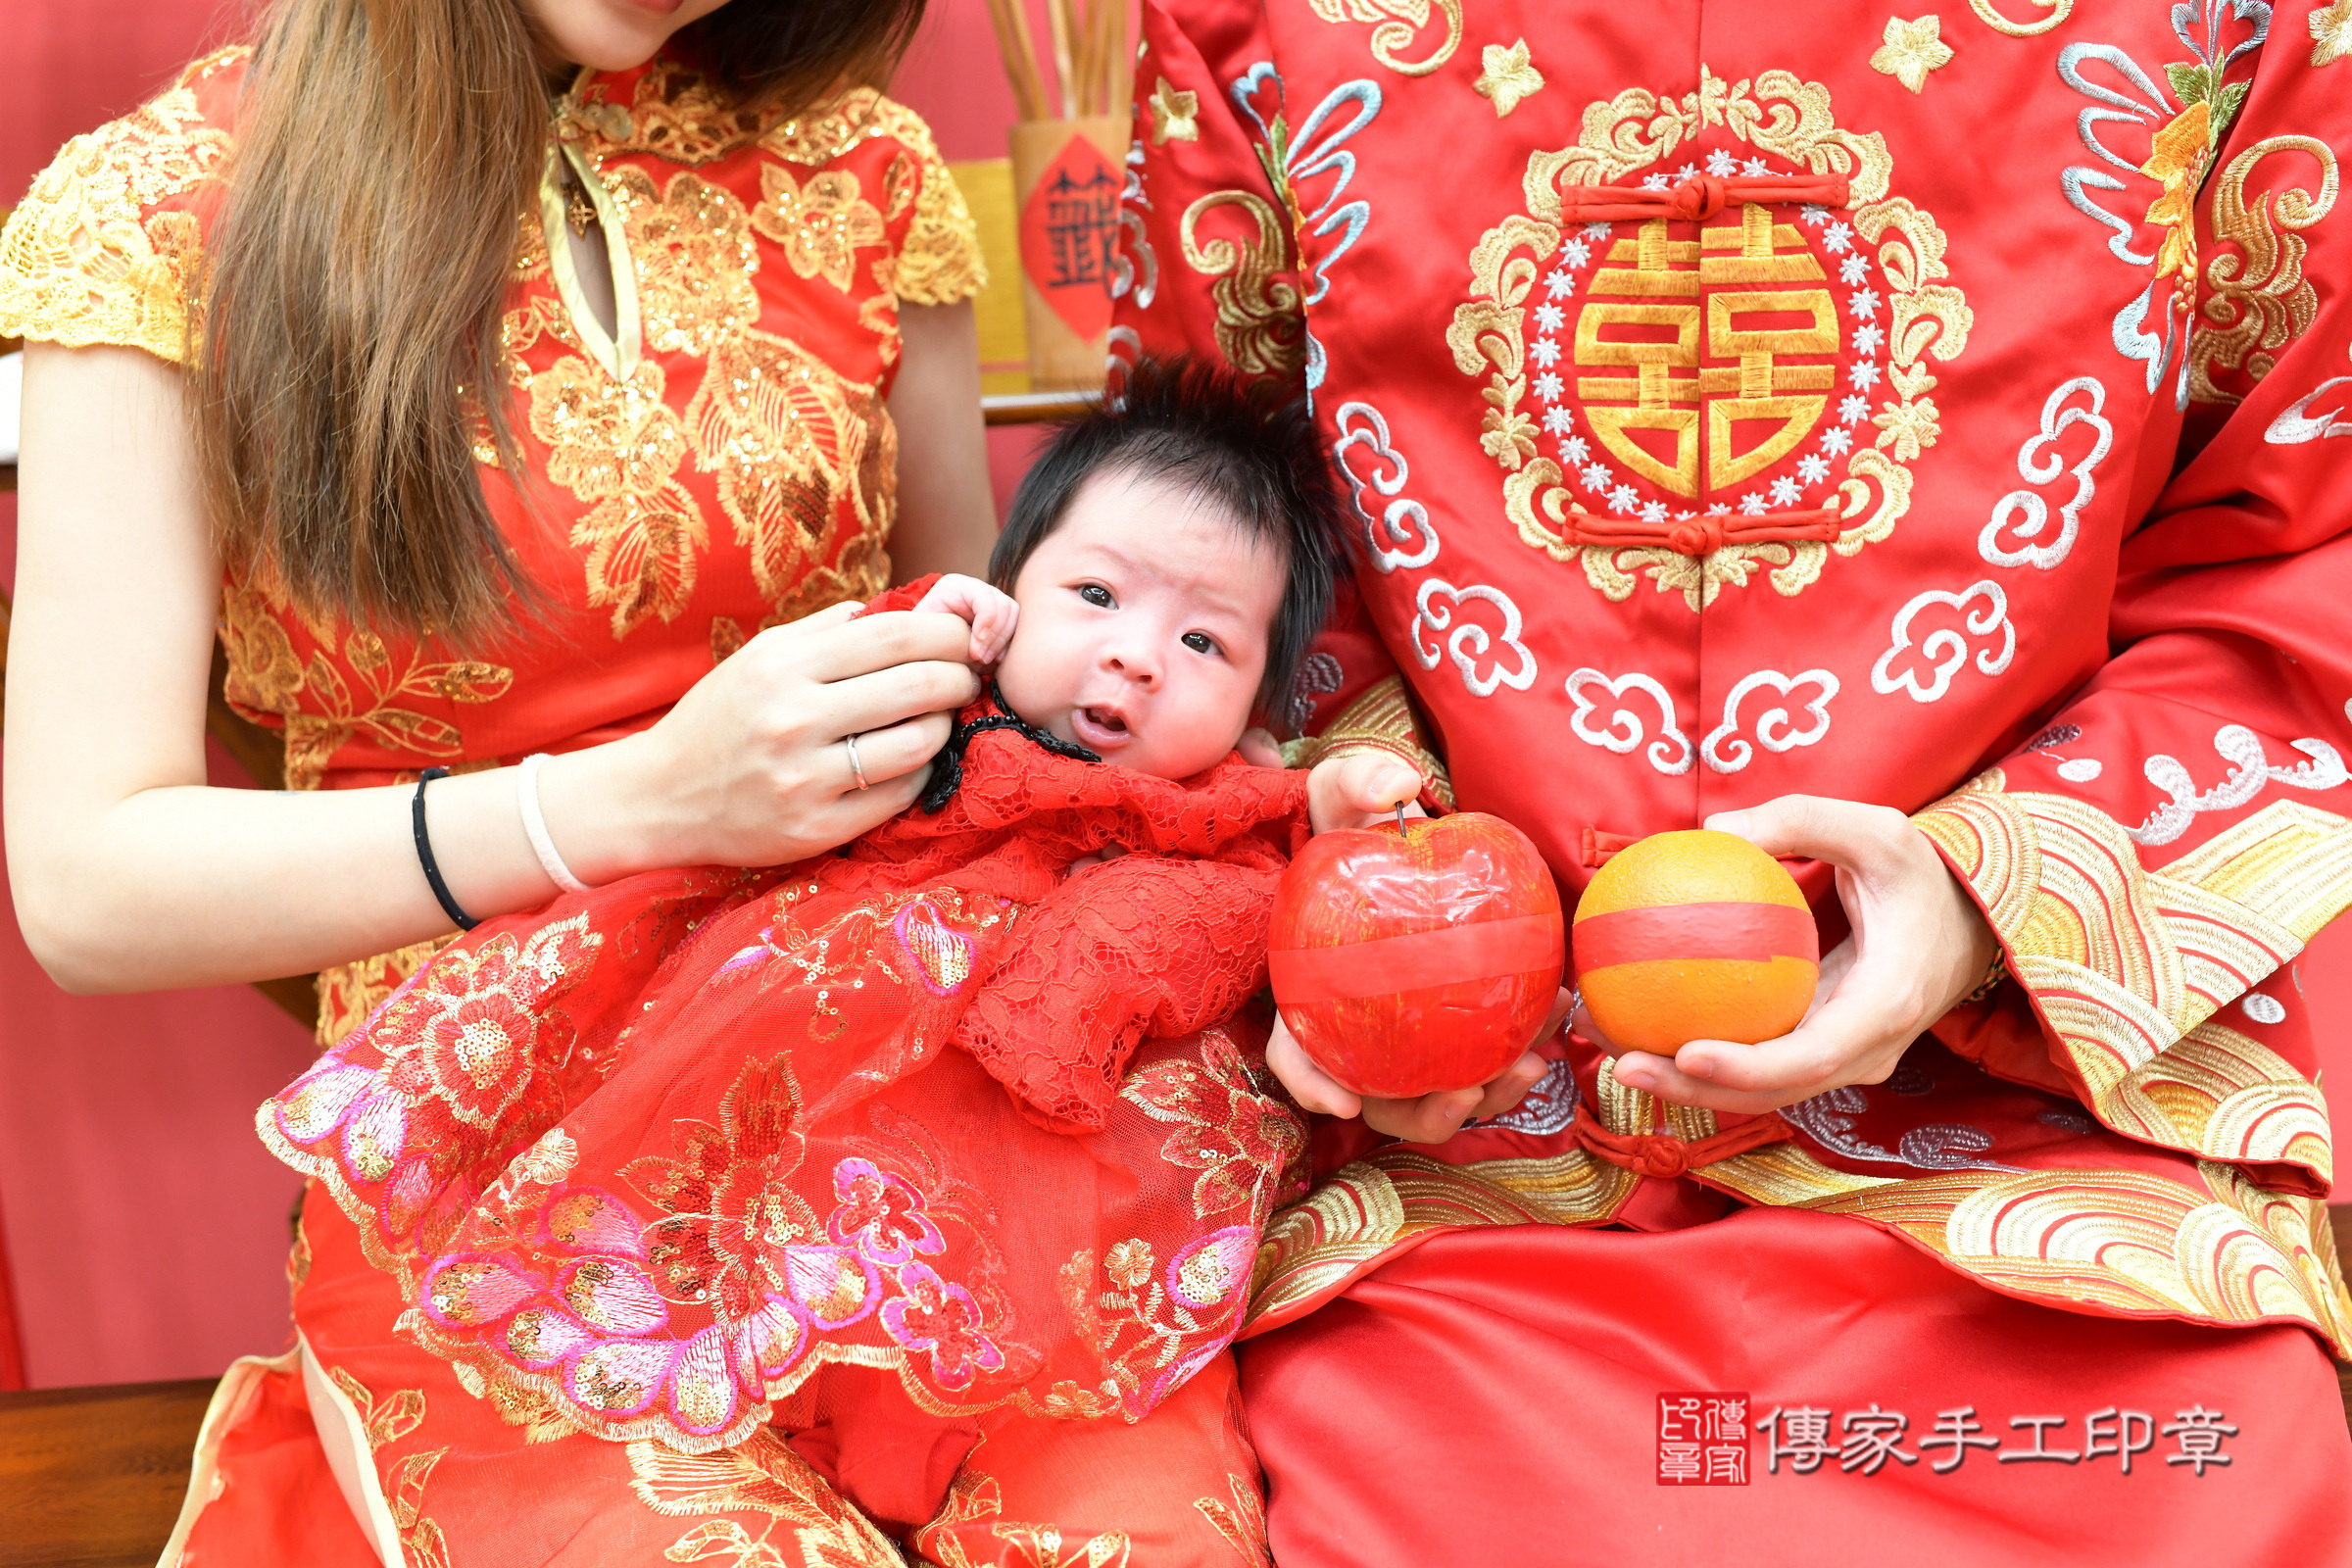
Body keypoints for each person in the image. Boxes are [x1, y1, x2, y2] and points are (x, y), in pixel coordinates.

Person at [1112, 0, 2352, 1561]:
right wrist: (1379, 878)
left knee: (2214, 1489)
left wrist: (1984, 901)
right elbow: (1208, 536)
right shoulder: (1258, 25)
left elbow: (2306, 535)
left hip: (2037, 1101)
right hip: (1470, 1135)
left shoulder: (2231, 21)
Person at [0, 0, 1008, 1558]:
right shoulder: (166, 214)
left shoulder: (854, 168)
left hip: (905, 1110)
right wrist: (633, 807)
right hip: (493, 1176)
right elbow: (87, 881)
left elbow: (1000, 698)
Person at [251, 357, 1373, 1563]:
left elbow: (1321, 904)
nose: (1139, 656)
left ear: (1265, 697)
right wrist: (937, 624)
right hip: (764, 1206)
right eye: (1095, 594)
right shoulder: (921, 711)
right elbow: (858, 673)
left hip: (1064, 1302)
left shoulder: (1239, 830)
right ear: (1009, 591)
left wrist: (1335, 817)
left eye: (1206, 640)